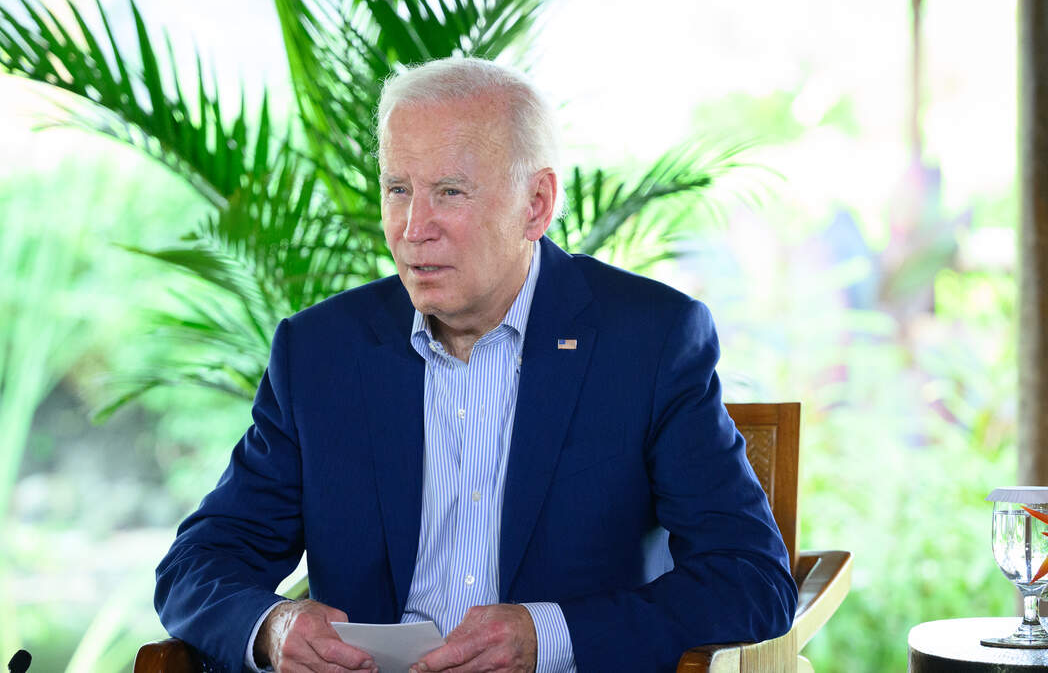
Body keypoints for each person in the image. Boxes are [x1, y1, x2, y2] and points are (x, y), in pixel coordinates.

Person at [155, 57, 797, 673]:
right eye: (398, 189)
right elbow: (197, 565)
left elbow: (751, 579)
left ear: (536, 205)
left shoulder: (648, 342)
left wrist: (546, 639)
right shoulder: (321, 352)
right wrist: (273, 627)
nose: (413, 227)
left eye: (449, 192)